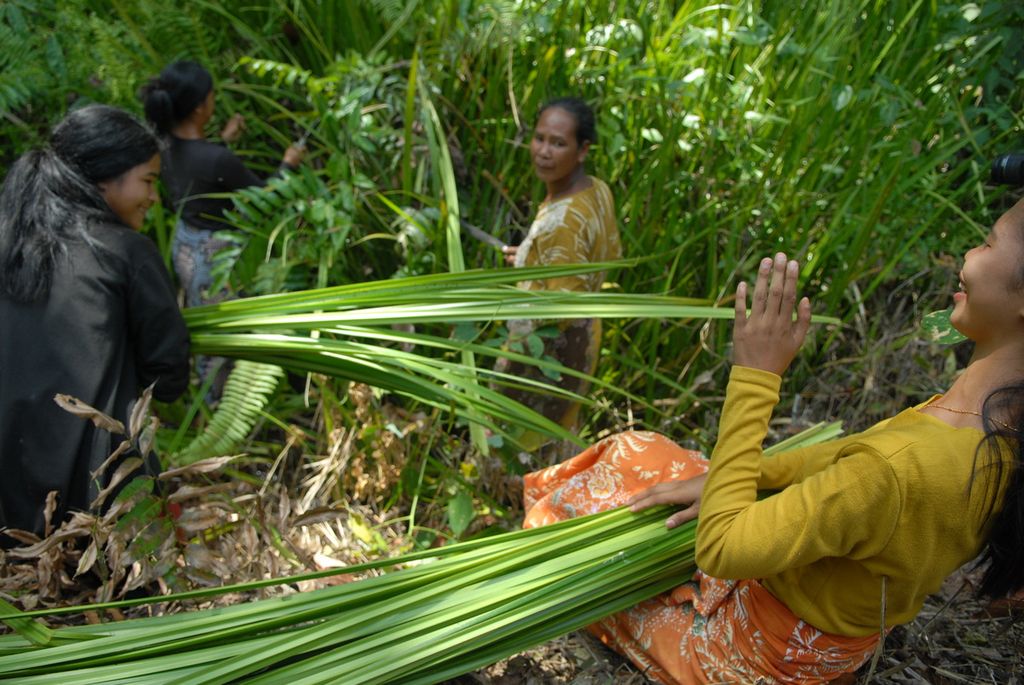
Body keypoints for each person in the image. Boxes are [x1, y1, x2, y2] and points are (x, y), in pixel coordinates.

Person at [523, 211, 1023, 682]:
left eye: (987, 242)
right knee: (637, 450)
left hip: (749, 651)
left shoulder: (899, 469)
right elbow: (842, 459)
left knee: (572, 520)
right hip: (813, 604)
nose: (968, 254)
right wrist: (733, 475)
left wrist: (756, 376)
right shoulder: (994, 426)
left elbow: (721, 548)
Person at [0, 105, 191, 542]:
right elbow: (168, 375)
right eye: (148, 180)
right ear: (106, 178)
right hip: (100, 512)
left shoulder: (9, 246)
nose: (153, 198)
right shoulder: (124, 252)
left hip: (9, 510)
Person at [497, 97, 622, 455]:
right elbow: (603, 254)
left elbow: (560, 311)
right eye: (539, 138)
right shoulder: (596, 190)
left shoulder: (562, 223)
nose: (544, 152)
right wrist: (529, 257)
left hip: (549, 352)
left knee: (519, 442)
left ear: (582, 150)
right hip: (588, 333)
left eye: (558, 143)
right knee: (557, 435)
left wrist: (534, 271)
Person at [140, 60, 305, 308]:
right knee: (228, 320)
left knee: (203, 311)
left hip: (186, 246)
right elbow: (265, 195)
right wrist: (288, 164)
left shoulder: (162, 145)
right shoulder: (217, 159)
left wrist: (224, 141)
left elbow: (198, 172)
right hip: (217, 258)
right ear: (198, 108)